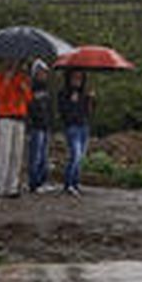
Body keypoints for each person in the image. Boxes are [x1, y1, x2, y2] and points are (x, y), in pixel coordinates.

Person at [0, 60, 31, 197]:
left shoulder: (23, 78)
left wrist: (24, 88)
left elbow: (29, 99)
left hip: (20, 118)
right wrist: (6, 81)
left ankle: (12, 187)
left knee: (17, 154)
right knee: (4, 153)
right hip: (5, 117)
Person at [57, 68, 93, 196]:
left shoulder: (84, 93)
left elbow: (88, 113)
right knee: (75, 155)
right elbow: (62, 113)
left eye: (79, 77)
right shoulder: (63, 93)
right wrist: (71, 103)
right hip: (72, 127)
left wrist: (89, 100)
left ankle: (75, 183)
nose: (77, 80)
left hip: (84, 127)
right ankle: (68, 184)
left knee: (81, 157)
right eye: (74, 77)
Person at [26, 59, 54, 193]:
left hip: (45, 126)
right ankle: (33, 183)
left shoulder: (46, 90)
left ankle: (43, 181)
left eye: (45, 73)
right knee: (35, 156)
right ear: (35, 73)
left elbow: (49, 109)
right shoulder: (31, 89)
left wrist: (50, 122)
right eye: (41, 72)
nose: (44, 75)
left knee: (44, 156)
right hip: (35, 127)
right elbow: (30, 108)